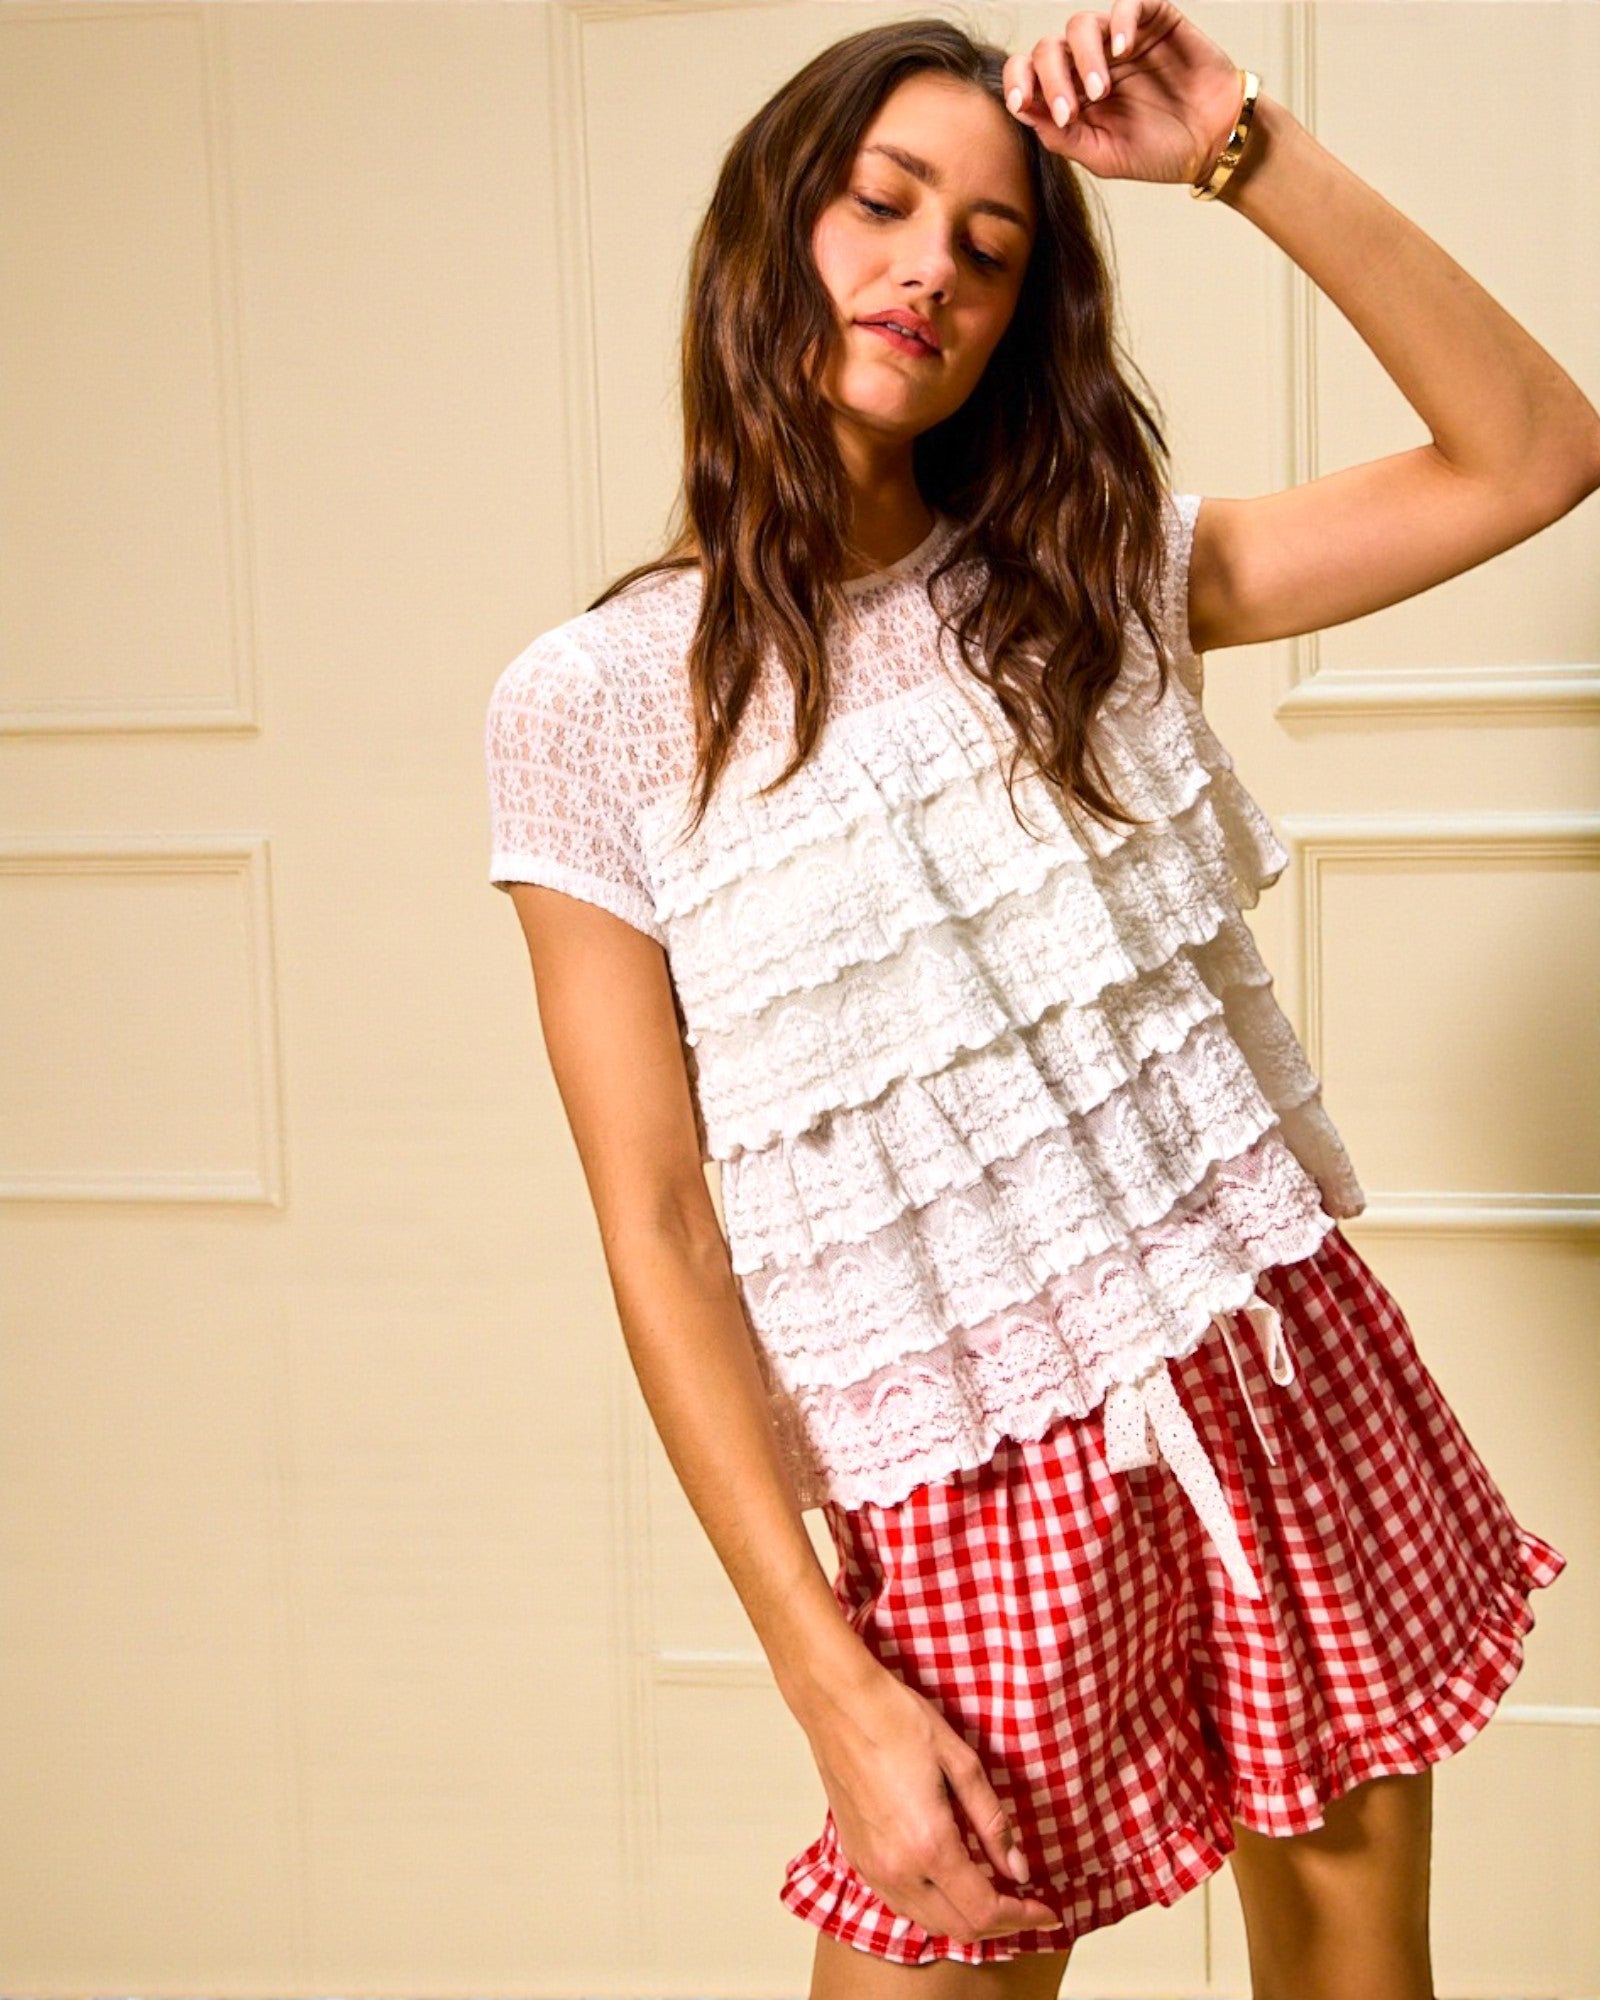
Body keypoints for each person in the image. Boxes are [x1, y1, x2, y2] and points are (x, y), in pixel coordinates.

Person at [484, 5, 1591, 1994]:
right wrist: (829, 1686)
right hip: (965, 1485)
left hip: (1271, 1380)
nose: (927, 270)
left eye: (988, 251)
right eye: (881, 205)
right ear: (768, 233)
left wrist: (1241, 149)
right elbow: (653, 1231)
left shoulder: (1087, 581)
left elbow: (1531, 454)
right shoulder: (589, 708)